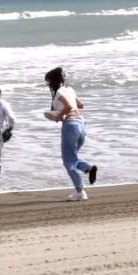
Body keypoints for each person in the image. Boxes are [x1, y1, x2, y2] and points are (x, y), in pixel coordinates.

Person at [44, 66, 97, 201]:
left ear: (53, 81)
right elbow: (80, 104)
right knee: (72, 156)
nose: (47, 85)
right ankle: (88, 168)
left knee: (68, 161)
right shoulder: (69, 89)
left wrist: (58, 116)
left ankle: (80, 192)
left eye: (48, 82)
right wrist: (64, 110)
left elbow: (67, 107)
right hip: (82, 124)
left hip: (71, 125)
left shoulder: (59, 92)